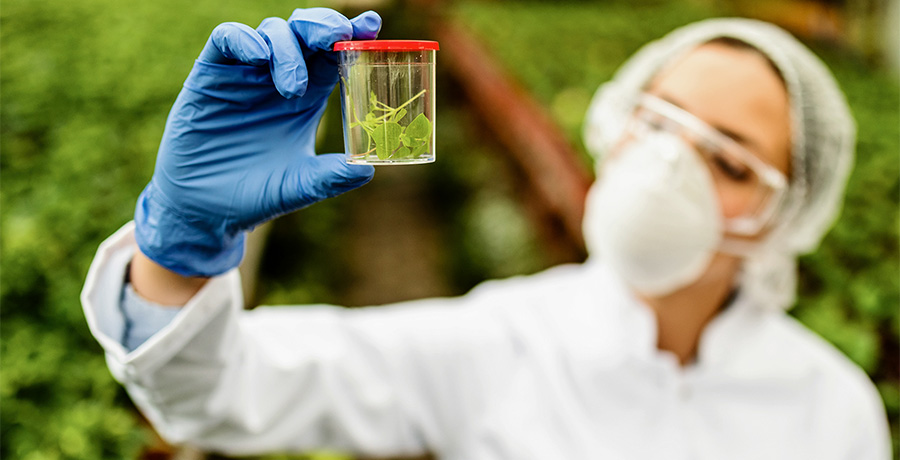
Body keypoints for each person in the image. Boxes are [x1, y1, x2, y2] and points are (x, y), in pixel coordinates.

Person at [81, 7, 891, 459]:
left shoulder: (834, 413)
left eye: (730, 161)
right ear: (613, 125)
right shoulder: (502, 338)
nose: (668, 167)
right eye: (657, 122)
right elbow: (220, 396)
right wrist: (178, 249)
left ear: (787, 213)